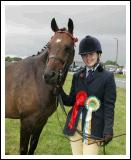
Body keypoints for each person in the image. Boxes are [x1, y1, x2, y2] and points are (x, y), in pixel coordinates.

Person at [60, 35, 116, 155]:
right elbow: (71, 100)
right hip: (75, 125)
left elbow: (109, 106)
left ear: (98, 54)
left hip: (94, 127)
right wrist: (58, 89)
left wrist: (108, 130)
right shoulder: (77, 76)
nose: (88, 58)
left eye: (91, 54)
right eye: (84, 55)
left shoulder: (107, 77)